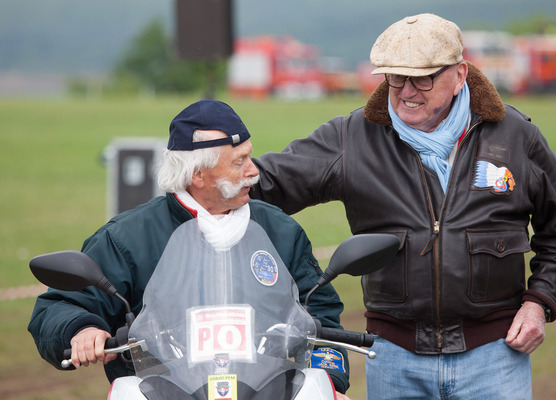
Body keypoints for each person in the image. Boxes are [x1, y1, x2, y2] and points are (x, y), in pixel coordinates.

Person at [250, 13, 556, 400]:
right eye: (395, 77)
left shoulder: (516, 136)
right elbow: (265, 183)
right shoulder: (352, 138)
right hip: (393, 356)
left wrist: (538, 303)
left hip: (495, 354)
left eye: (423, 77)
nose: (406, 91)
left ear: (460, 74)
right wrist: (212, 169)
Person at [28, 100, 352, 399]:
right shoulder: (127, 237)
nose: (254, 170)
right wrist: (81, 328)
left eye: (250, 156)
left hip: (273, 391)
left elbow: (320, 313)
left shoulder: (281, 230)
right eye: (239, 162)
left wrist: (328, 381)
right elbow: (59, 305)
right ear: (197, 175)